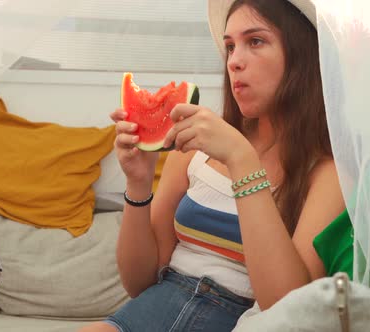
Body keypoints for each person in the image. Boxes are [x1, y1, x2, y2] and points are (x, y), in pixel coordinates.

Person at [80, 0, 345, 331]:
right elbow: (138, 283)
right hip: (158, 303)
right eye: (230, 46)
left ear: (302, 55)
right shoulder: (194, 148)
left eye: (256, 41)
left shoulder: (327, 173)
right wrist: (138, 182)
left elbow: (288, 308)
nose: (234, 61)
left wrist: (242, 160)